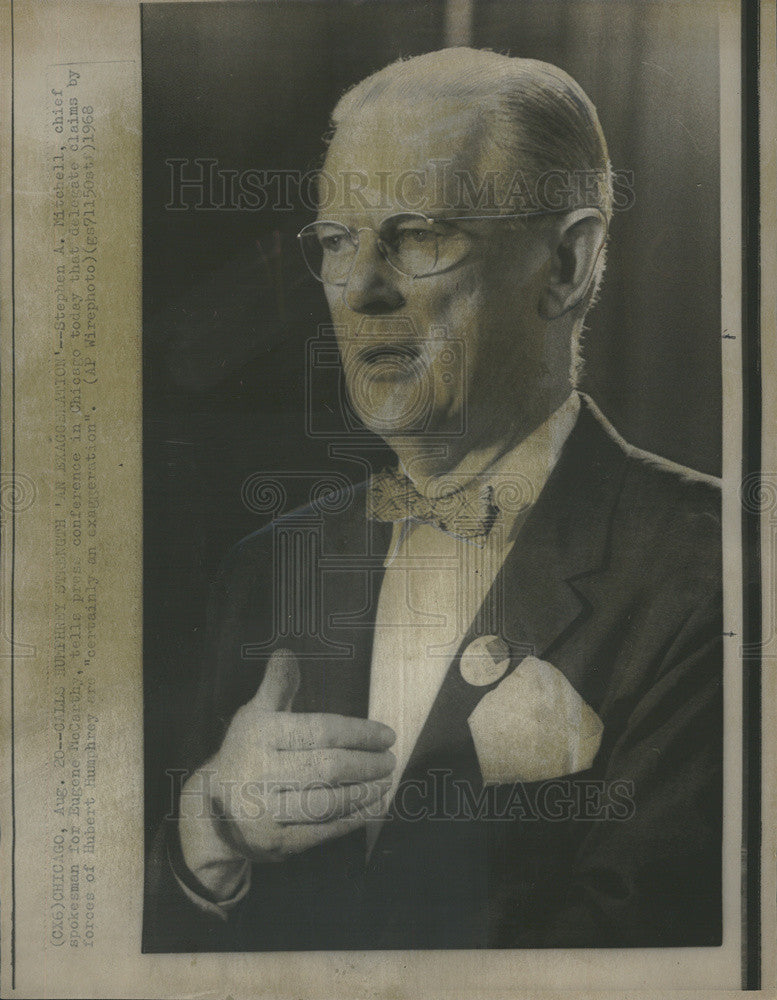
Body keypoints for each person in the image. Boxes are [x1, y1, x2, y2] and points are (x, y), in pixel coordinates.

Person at [144, 48, 722, 951]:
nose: (362, 291)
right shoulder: (266, 568)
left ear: (565, 265)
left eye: (418, 235)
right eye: (337, 242)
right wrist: (208, 832)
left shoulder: (716, 567)